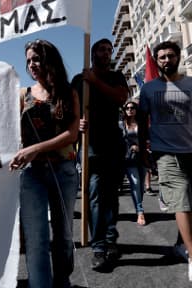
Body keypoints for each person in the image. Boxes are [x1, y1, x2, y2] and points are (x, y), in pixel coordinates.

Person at [9, 39, 79, 288]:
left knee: (63, 234)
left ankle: (62, 281)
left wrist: (35, 149)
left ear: (50, 60)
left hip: (64, 172)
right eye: (28, 60)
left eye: (36, 59)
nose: (31, 65)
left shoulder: (68, 93)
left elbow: (71, 135)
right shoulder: (22, 95)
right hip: (32, 175)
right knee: (36, 237)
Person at [71, 38, 129, 272]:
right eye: (101, 50)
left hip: (113, 144)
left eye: (109, 50)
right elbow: (69, 108)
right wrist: (78, 123)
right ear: (92, 53)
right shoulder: (79, 80)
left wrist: (96, 81)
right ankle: (99, 247)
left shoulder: (116, 77)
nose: (106, 53)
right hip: (90, 146)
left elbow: (121, 97)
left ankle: (110, 237)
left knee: (112, 196)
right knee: (95, 195)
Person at [138, 40, 192, 281]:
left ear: (178, 57)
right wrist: (142, 150)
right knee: (181, 201)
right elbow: (141, 122)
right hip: (165, 153)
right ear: (156, 61)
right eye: (161, 57)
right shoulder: (148, 89)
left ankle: (182, 243)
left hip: (190, 150)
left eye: (170, 56)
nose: (166, 60)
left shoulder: (190, 84)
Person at [119, 100, 146, 226]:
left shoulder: (142, 124)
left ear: (136, 110)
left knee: (141, 186)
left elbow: (149, 138)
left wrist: (140, 146)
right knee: (135, 184)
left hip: (142, 158)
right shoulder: (120, 124)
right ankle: (140, 212)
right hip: (128, 159)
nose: (130, 110)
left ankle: (139, 205)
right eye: (127, 108)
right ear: (124, 110)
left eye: (132, 108)